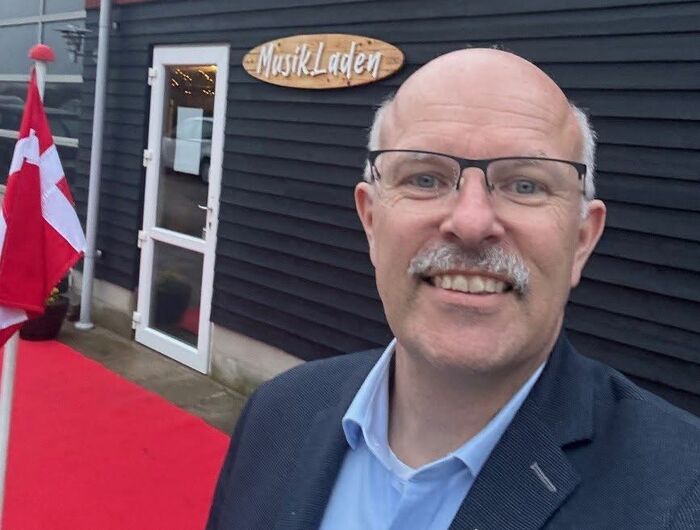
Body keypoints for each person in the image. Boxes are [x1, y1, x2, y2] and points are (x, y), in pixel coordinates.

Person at [207, 49, 699, 529]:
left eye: (525, 185)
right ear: (371, 221)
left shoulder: (683, 495)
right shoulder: (276, 412)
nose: (471, 223)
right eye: (425, 178)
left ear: (582, 241)